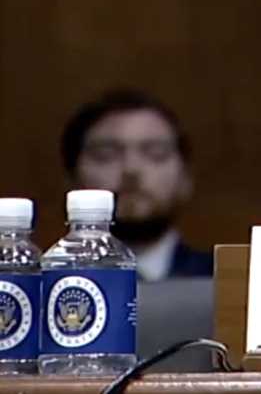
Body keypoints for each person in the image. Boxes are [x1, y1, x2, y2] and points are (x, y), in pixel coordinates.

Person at [61, 88, 212, 280]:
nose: (131, 169)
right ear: (70, 179)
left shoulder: (224, 287)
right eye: (106, 154)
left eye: (155, 153)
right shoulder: (39, 288)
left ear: (186, 178)